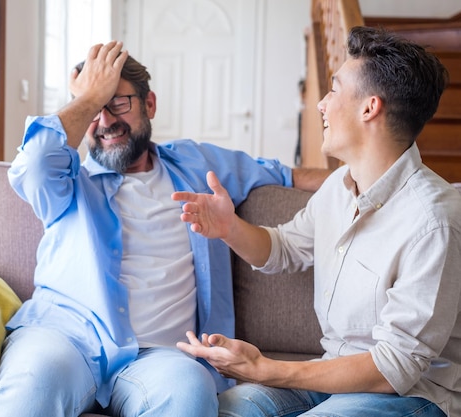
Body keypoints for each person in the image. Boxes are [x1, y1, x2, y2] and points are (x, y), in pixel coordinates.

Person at [0, 41, 329, 417]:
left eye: (118, 102)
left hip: (161, 358)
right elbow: (31, 164)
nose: (105, 121)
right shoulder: (66, 182)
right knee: (35, 385)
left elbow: (286, 174)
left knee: (190, 390)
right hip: (64, 340)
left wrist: (376, 179)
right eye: (95, 109)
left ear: (150, 104)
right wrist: (89, 97)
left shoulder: (197, 163)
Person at [174, 26, 461, 416]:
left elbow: (394, 369)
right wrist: (229, 229)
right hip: (329, 377)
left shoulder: (433, 220)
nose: (321, 104)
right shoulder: (338, 188)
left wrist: (266, 369)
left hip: (411, 395)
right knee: (224, 409)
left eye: (334, 90)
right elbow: (284, 249)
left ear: (369, 108)